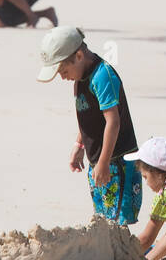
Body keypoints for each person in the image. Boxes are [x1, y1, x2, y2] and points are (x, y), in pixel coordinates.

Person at [37, 26, 142, 225]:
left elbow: (113, 121)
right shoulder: (80, 77)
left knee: (117, 221)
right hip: (98, 161)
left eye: (64, 70)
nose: (62, 77)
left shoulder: (102, 76)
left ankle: (121, 253)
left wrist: (104, 162)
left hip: (117, 162)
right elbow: (88, 116)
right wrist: (79, 146)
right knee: (102, 218)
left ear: (78, 56)